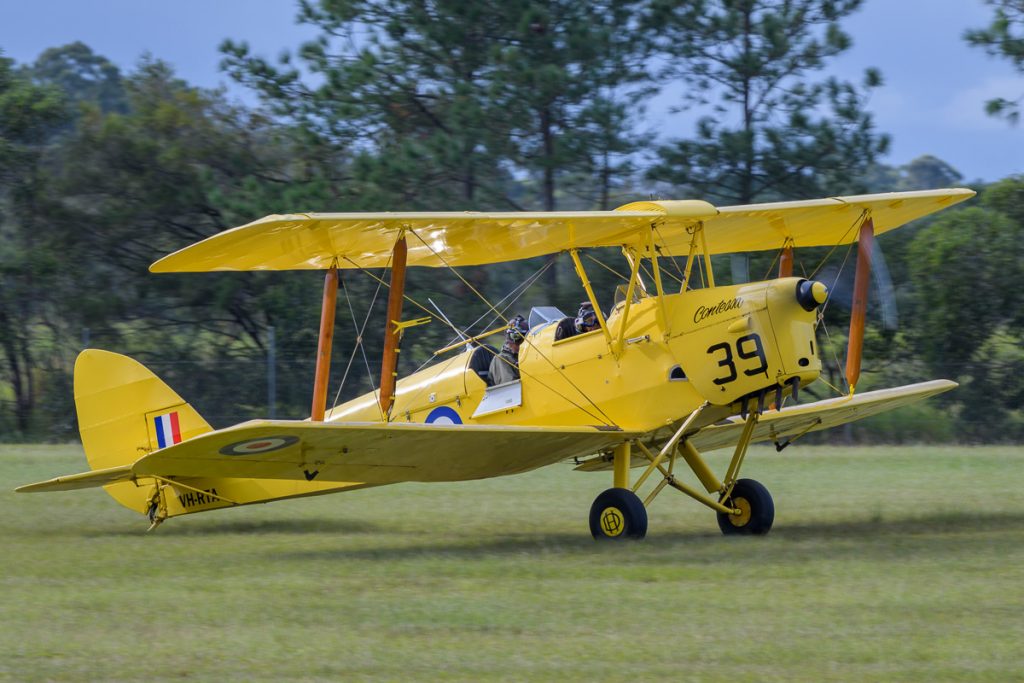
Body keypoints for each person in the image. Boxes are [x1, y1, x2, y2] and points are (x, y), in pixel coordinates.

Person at [489, 315, 529, 385]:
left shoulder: (525, 356)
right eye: (517, 338)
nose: (522, 344)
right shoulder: (502, 359)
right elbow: (510, 388)